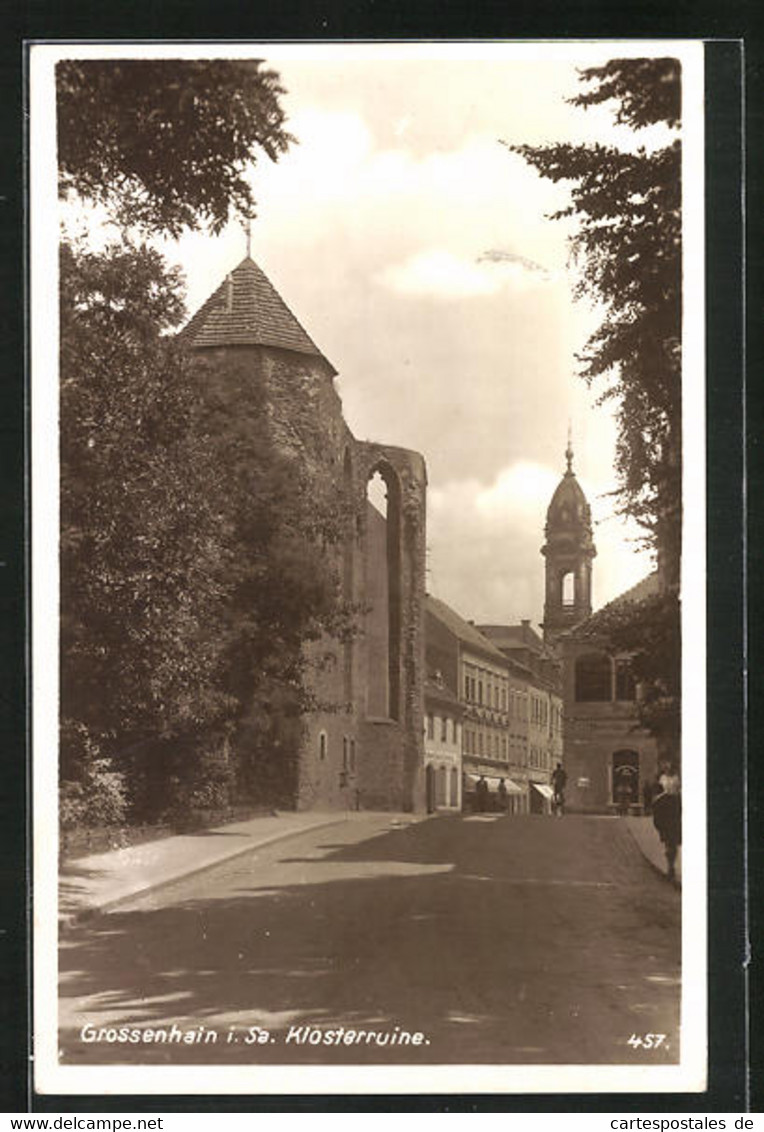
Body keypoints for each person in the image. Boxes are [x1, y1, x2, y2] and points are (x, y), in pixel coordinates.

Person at [652, 763, 682, 882]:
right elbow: (659, 791)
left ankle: (671, 866)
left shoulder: (676, 778)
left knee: (673, 845)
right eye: (665, 765)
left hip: (675, 820)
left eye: (669, 765)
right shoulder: (662, 778)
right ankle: (670, 865)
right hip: (667, 821)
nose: (667, 767)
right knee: (669, 845)